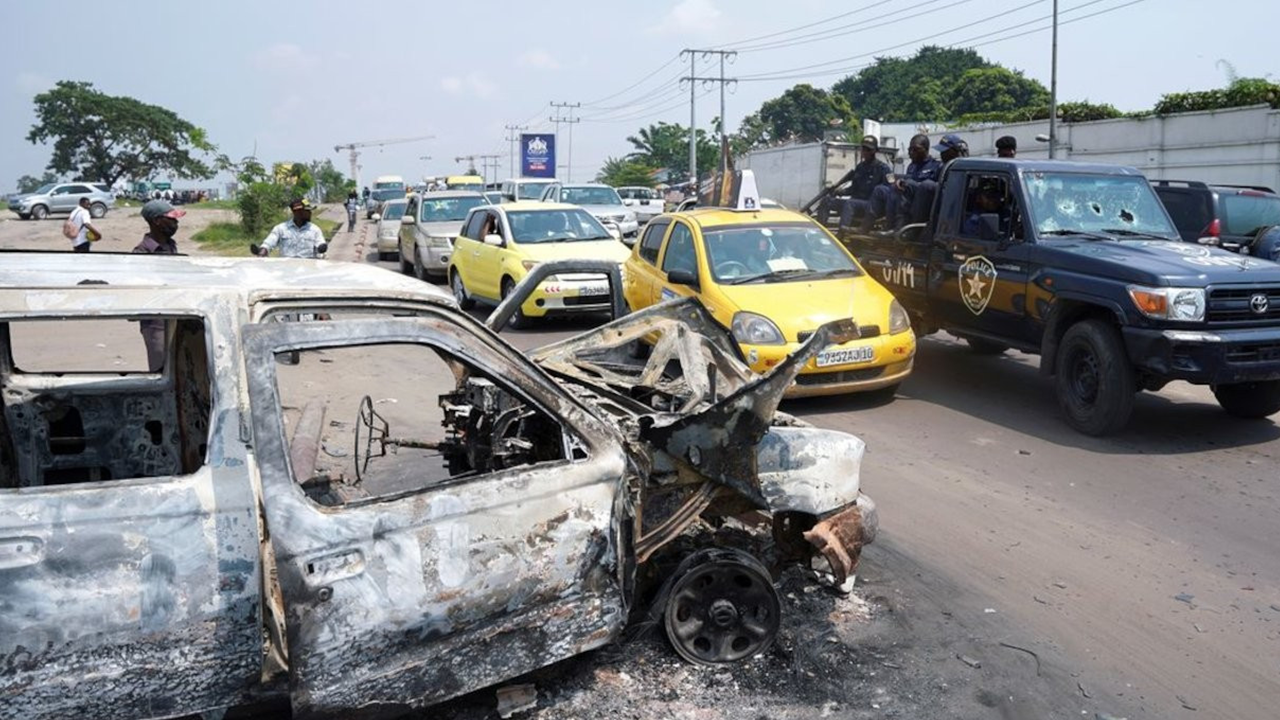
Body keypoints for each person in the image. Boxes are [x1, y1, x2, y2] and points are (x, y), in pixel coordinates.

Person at [133, 199, 187, 370]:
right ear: (156, 221)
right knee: (161, 369)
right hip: (156, 323)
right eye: (171, 219)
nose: (175, 223)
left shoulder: (171, 246)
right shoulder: (141, 253)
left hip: (177, 317)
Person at [866, 133, 943, 231]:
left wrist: (907, 183)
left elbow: (933, 190)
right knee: (880, 189)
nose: (911, 152)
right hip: (903, 197)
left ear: (926, 149)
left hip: (920, 203)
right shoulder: (912, 166)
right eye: (909, 149)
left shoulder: (936, 166)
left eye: (915, 149)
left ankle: (899, 227)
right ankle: (873, 227)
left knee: (906, 186)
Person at [818, 135, 890, 231]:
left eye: (868, 149)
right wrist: (840, 191)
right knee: (826, 201)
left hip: (870, 206)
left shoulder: (883, 169)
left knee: (850, 203)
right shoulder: (860, 167)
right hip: (855, 203)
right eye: (863, 149)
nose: (865, 152)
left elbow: (888, 193)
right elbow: (853, 189)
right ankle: (820, 231)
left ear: (875, 151)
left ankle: (841, 235)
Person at [257, 198, 326, 258]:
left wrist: (321, 247)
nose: (310, 213)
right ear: (297, 212)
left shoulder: (315, 230)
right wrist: (263, 251)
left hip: (307, 268)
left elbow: (320, 243)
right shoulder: (281, 229)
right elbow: (269, 243)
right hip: (286, 268)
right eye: (307, 211)